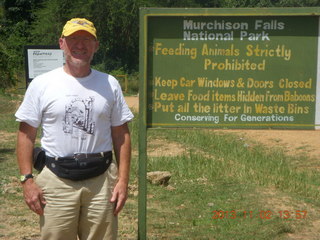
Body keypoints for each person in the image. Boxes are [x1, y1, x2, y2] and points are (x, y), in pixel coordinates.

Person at [15, 18, 134, 240]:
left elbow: (121, 134)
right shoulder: (42, 84)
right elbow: (26, 135)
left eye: (87, 40)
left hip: (101, 182)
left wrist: (123, 181)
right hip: (57, 180)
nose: (80, 45)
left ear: (96, 46)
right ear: (61, 43)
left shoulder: (109, 83)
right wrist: (27, 180)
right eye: (74, 39)